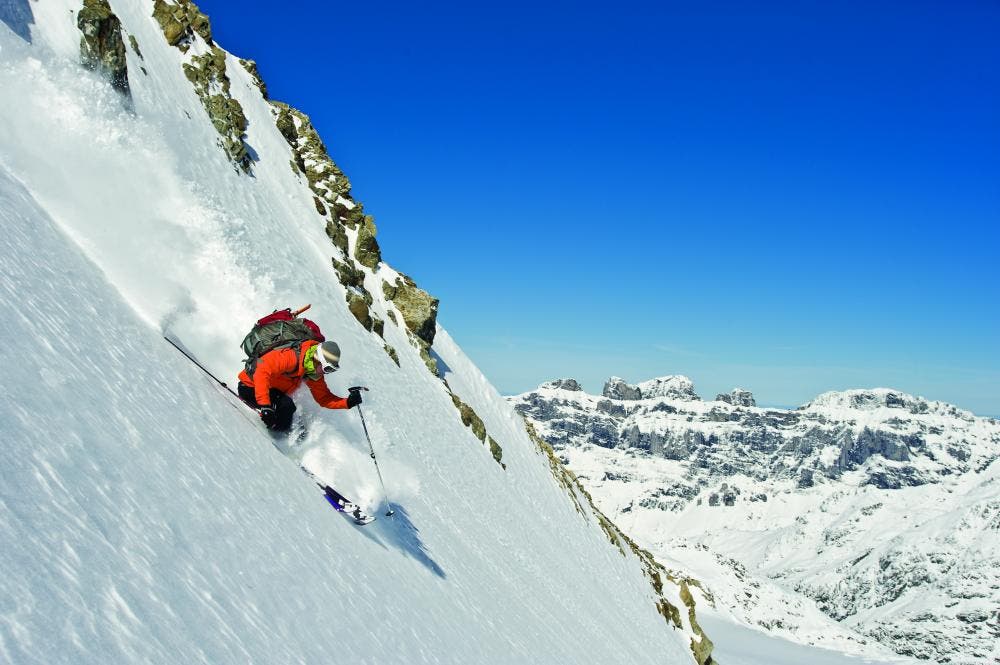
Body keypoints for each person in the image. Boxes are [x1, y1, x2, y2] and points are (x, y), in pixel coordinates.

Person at [238, 339, 362, 431]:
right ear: (317, 359)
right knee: (287, 406)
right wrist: (265, 406)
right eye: (327, 368)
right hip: (249, 387)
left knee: (297, 423)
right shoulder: (291, 357)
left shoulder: (312, 372)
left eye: (330, 370)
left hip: (271, 393)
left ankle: (286, 436)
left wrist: (347, 402)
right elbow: (262, 371)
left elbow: (324, 399)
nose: (325, 373)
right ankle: (277, 438)